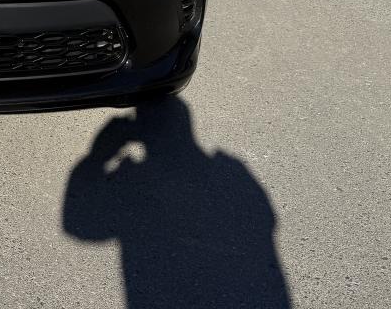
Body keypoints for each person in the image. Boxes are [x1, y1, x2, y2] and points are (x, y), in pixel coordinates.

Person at [62, 99, 291, 309]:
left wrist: (97, 157)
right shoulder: (231, 170)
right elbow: (262, 218)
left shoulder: (230, 171)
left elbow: (79, 226)